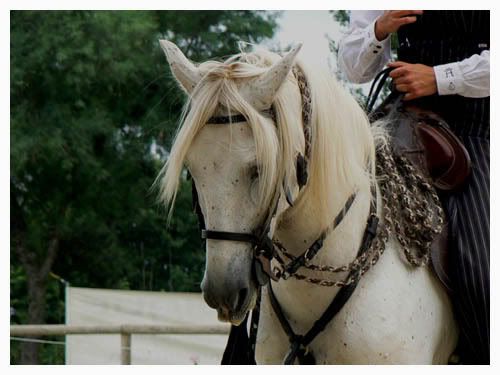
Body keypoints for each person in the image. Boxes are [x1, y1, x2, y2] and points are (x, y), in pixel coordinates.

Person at [338, 10, 490, 364]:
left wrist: (439, 78)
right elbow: (353, 69)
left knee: (479, 269)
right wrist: (379, 30)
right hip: (402, 122)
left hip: (473, 128)